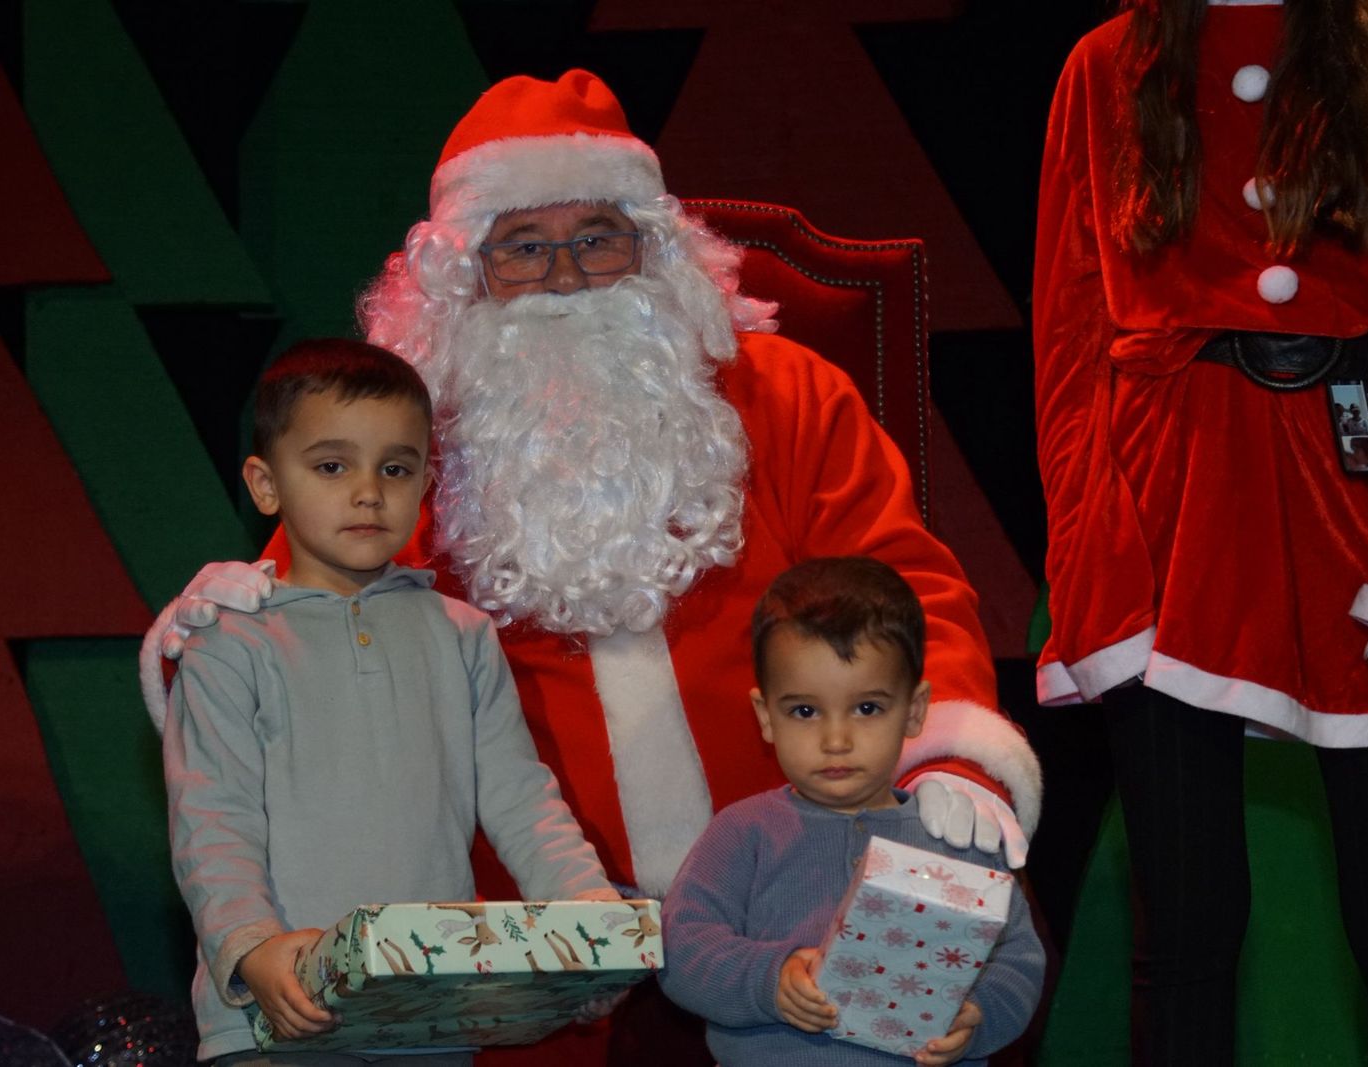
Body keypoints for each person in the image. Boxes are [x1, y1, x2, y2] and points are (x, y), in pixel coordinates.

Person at [144, 71, 1042, 1065]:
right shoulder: (413, 441)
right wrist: (217, 613)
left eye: (597, 237)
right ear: (465, 277)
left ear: (653, 246)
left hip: (788, 911)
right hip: (530, 943)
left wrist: (953, 751)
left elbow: (902, 583)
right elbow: (305, 594)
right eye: (524, 247)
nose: (567, 276)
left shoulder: (787, 396)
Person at [1034, 1, 1368, 1063]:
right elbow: (1072, 333)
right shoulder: (1105, 64)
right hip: (1171, 516)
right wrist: (1094, 564)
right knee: (1182, 932)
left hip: (1365, 506)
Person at [164, 339, 618, 1065]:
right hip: (279, 1014)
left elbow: (520, 796)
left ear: (426, 482)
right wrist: (253, 947)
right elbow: (212, 820)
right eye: (332, 465)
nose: (368, 490)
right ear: (265, 482)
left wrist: (588, 908)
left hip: (427, 1008)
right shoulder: (230, 642)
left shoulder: (462, 634)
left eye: (396, 467)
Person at [658, 558, 1043, 1067]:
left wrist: (977, 1014)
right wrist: (769, 980)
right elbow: (681, 946)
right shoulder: (742, 832)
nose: (835, 740)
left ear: (915, 710)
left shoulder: (957, 839)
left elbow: (1016, 958)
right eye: (804, 711)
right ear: (765, 716)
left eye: (867, 708)